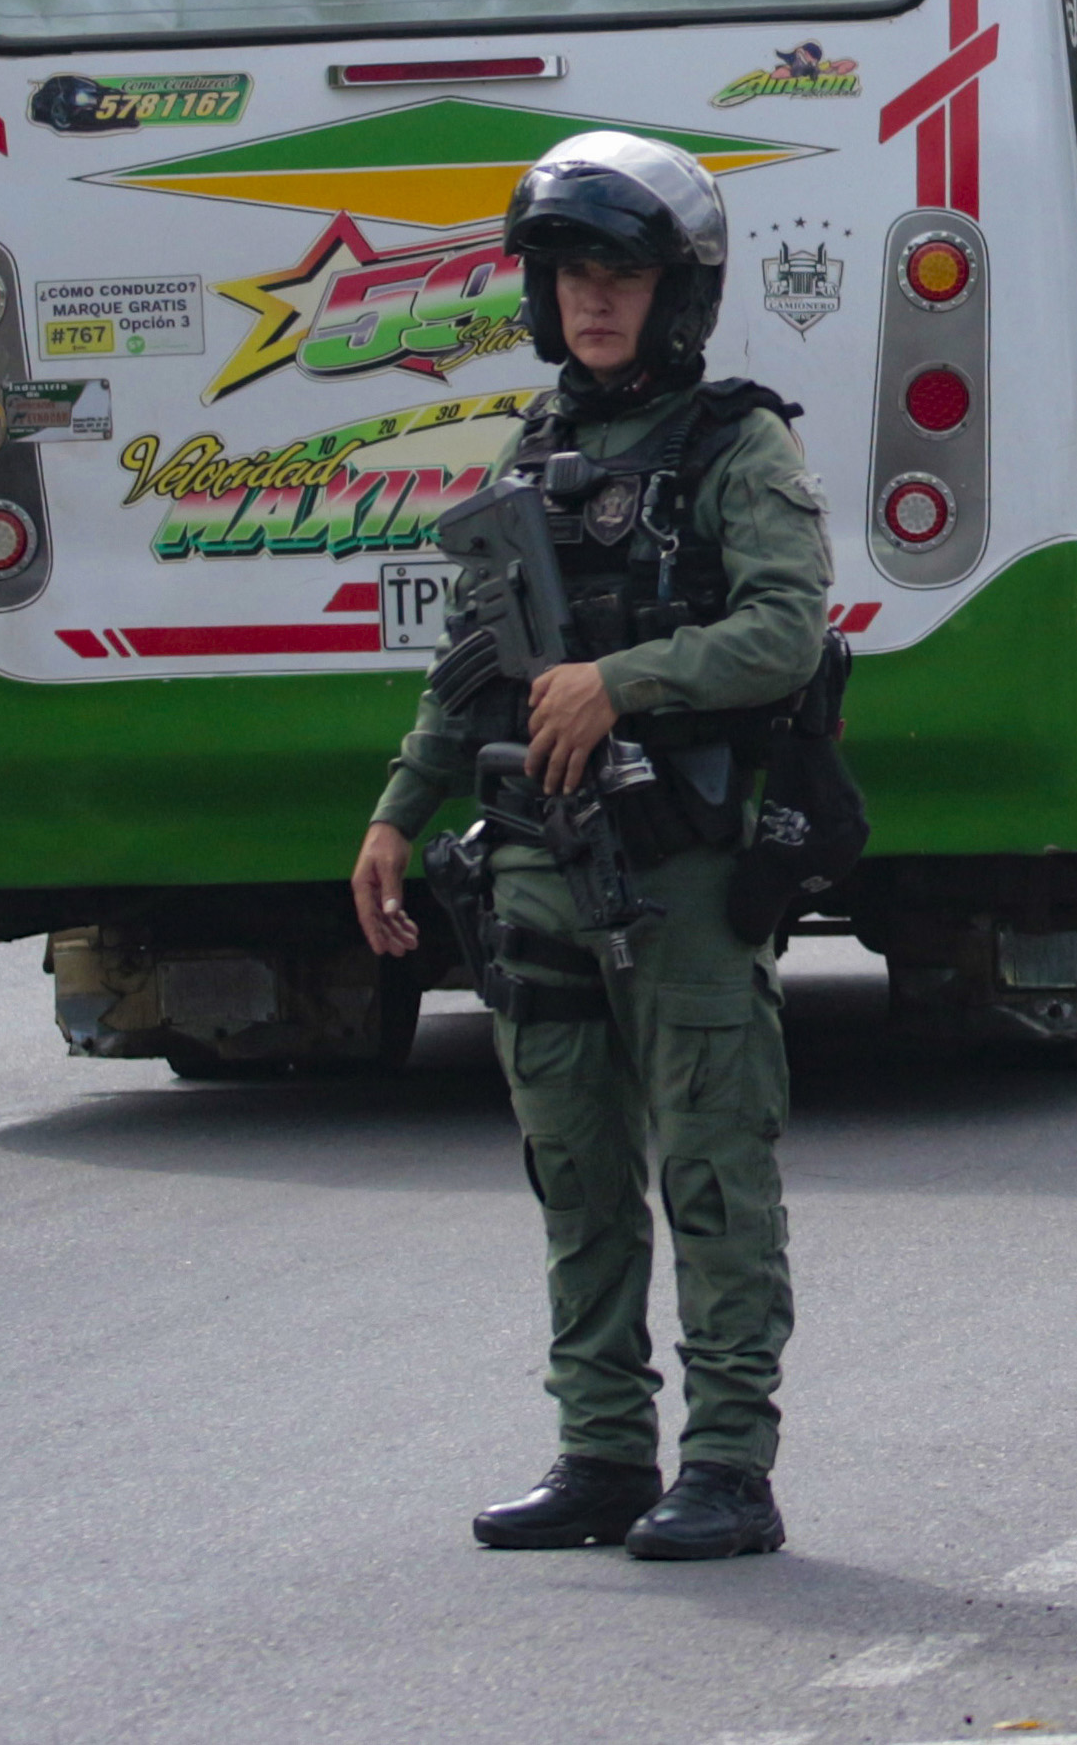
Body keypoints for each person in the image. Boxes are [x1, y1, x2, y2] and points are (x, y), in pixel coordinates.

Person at [348, 132, 832, 1562]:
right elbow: (478, 658)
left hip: (676, 859)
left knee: (711, 1166)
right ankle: (604, 1448)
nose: (593, 301)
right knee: (573, 1168)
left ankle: (729, 1461)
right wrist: (396, 808)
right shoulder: (538, 448)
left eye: (620, 273)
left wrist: (626, 682)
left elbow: (786, 629)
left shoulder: (739, 442)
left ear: (674, 289)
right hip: (537, 859)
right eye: (569, 275)